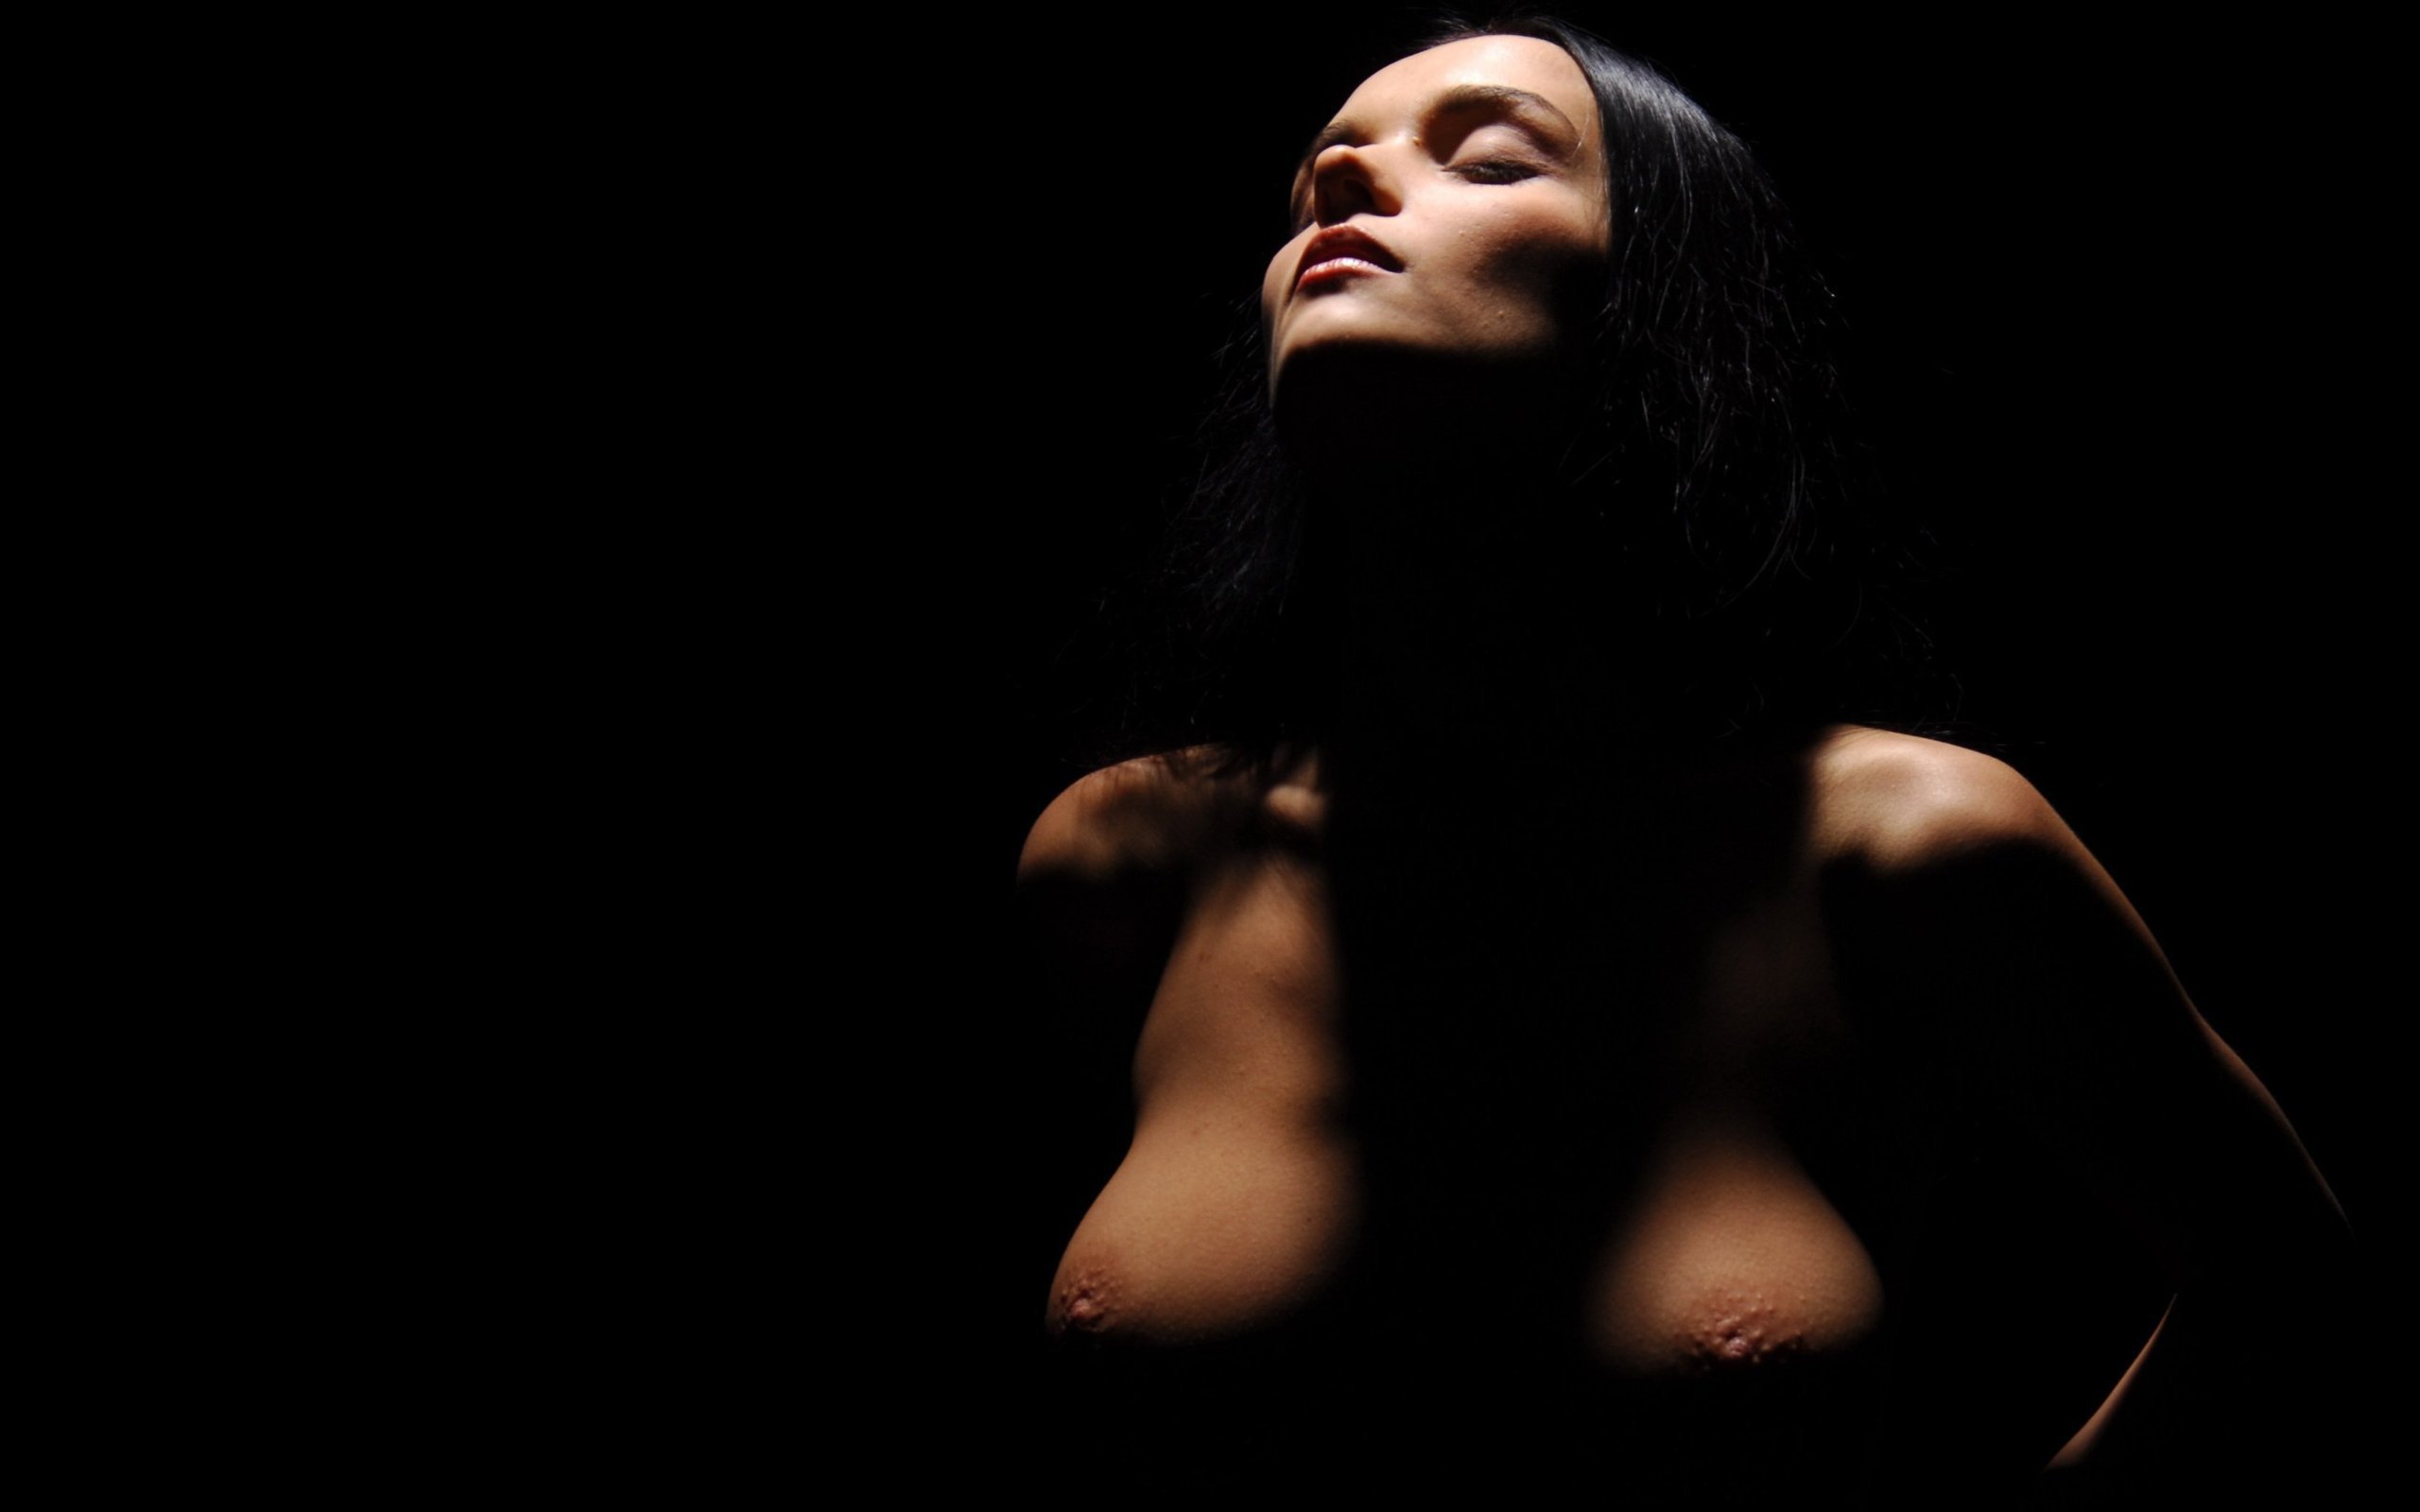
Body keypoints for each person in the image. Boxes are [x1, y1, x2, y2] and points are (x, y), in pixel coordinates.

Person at [1012, 16, 2349, 1503]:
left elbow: (2293, 1285)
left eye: (1490, 159)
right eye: (1317, 180)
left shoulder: (1901, 846)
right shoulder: (1120, 862)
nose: (1344, 189)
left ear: (1658, 296)